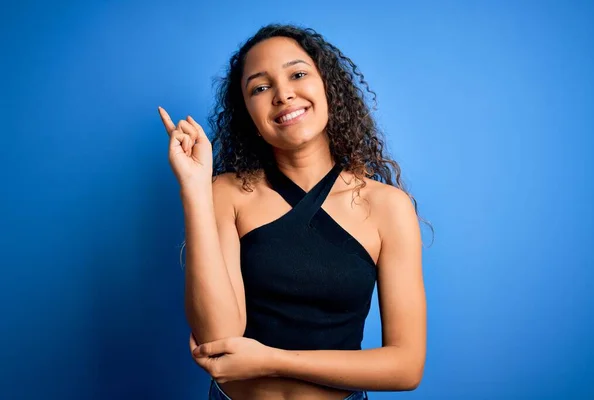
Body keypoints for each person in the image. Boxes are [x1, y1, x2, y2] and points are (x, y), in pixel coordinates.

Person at [158, 23, 427, 400]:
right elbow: (218, 340)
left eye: (297, 74)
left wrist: (272, 360)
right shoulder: (227, 194)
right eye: (260, 87)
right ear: (247, 112)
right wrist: (194, 187)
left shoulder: (387, 207)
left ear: (328, 88)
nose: (283, 94)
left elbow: (406, 366)